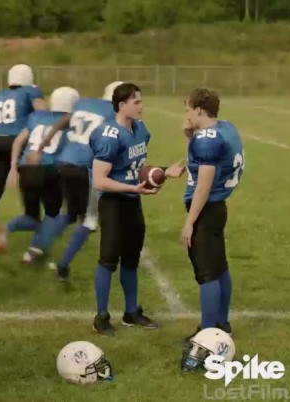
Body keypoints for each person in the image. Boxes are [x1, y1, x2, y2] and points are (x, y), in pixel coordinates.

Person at [89, 82, 184, 336]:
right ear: (122, 105)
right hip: (113, 204)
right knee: (108, 260)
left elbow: (139, 167)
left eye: (141, 101)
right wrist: (133, 188)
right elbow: (99, 180)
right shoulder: (109, 135)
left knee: (131, 259)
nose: (141, 106)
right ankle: (101, 317)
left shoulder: (140, 129)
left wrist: (165, 172)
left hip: (132, 202)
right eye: (136, 102)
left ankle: (131, 313)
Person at [28, 82, 121, 279]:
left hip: (65, 163)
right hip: (86, 167)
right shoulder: (116, 114)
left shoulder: (84, 103)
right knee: (90, 220)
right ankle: (63, 264)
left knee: (68, 213)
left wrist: (40, 148)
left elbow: (61, 123)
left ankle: (36, 248)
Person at [177, 88, 244, 339]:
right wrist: (189, 136)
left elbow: (203, 184)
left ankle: (207, 334)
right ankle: (222, 323)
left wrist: (190, 222)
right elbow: (198, 163)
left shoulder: (207, 139)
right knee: (219, 268)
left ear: (198, 110)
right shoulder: (227, 127)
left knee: (207, 274)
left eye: (188, 110)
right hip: (217, 208)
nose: (186, 115)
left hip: (205, 208)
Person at [0, 87, 79, 266]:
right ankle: (33, 252)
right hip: (49, 169)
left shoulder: (36, 117)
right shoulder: (71, 122)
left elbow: (18, 141)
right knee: (53, 214)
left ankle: (6, 228)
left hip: (26, 167)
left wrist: (13, 167)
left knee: (32, 217)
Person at [0, 64, 45, 240]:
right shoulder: (30, 92)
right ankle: (32, 218)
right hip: (17, 140)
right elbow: (43, 114)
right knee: (30, 181)